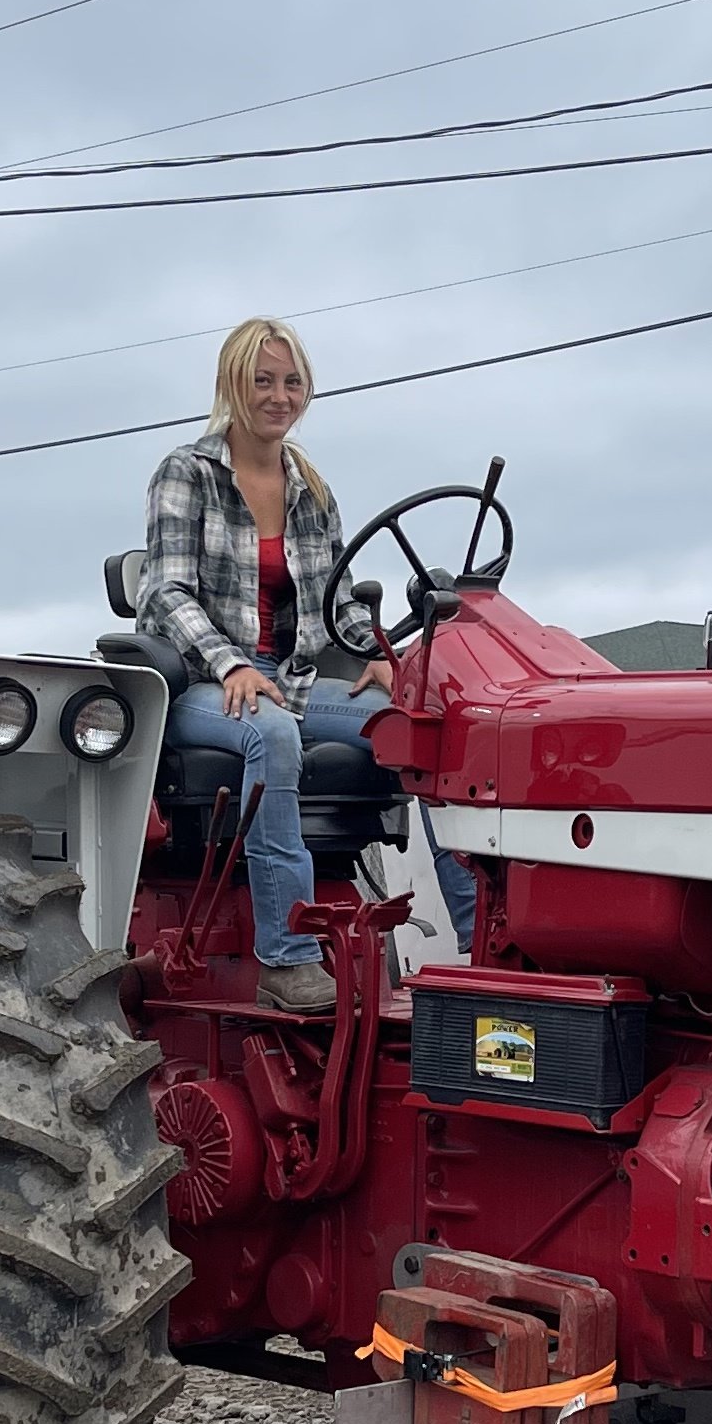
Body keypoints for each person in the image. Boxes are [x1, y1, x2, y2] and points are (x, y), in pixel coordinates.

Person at [139, 318, 474, 1010]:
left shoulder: (310, 488)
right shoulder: (187, 472)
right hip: (200, 684)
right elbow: (166, 590)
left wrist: (380, 657)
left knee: (422, 724)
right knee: (274, 734)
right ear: (234, 384)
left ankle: (478, 944)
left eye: (291, 382)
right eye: (263, 380)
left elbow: (337, 599)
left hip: (286, 678)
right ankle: (285, 958)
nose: (278, 395)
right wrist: (231, 665)